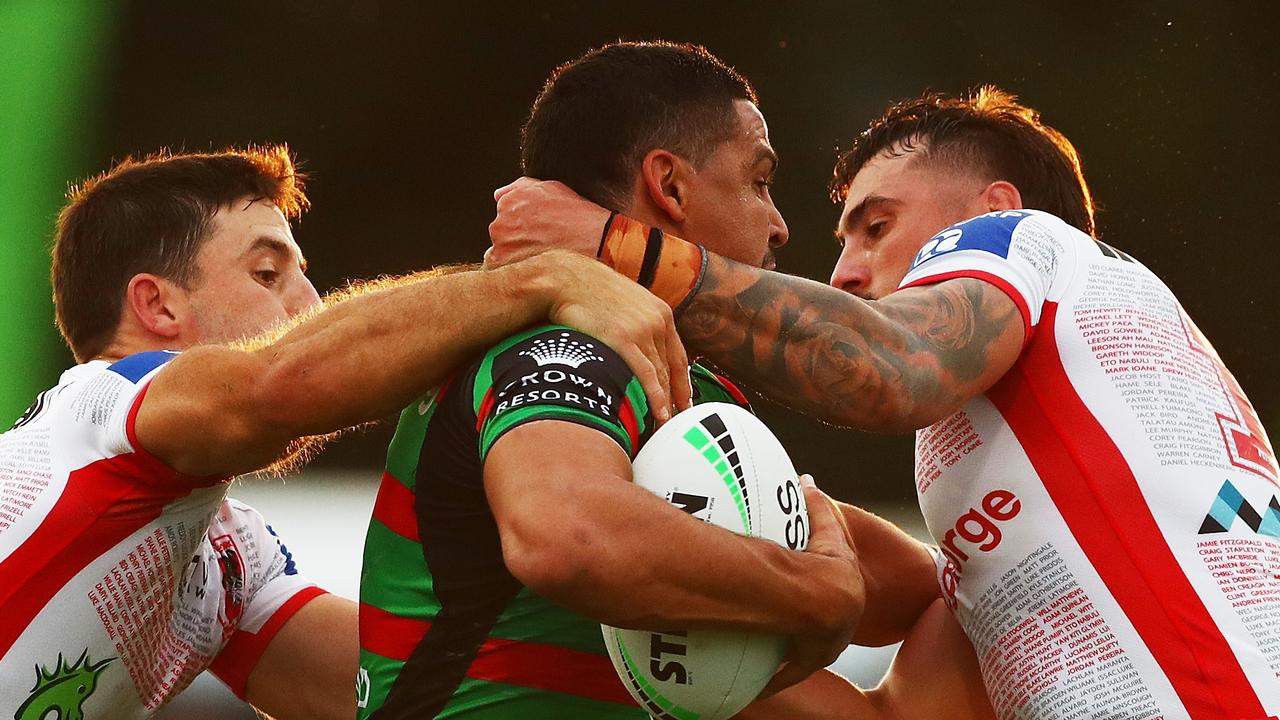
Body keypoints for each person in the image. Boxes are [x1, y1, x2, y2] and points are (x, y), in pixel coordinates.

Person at [489, 87, 1280, 717]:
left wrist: (609, 246)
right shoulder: (1025, 432)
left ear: (992, 210)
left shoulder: (1021, 241)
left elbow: (881, 366)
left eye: (875, 226)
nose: (843, 272)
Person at [357, 42, 987, 720]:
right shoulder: (568, 346)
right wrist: (814, 591)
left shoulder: (674, 382)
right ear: (672, 186)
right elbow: (568, 538)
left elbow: (909, 589)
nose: (779, 225)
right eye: (759, 180)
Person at [0, 146, 688, 720]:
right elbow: (283, 385)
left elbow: (417, 687)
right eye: (267, 273)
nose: (310, 304)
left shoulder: (225, 557)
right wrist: (546, 278)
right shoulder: (102, 405)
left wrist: (712, 625)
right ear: (156, 305)